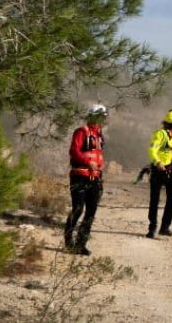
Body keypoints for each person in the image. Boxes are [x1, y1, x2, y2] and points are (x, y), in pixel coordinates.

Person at [64, 103, 107, 255]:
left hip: (95, 178)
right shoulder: (81, 132)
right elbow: (74, 151)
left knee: (91, 212)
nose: (103, 120)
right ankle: (69, 242)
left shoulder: (99, 135)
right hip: (79, 177)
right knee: (78, 209)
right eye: (101, 117)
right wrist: (88, 162)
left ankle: (81, 244)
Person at [147, 108, 172, 238]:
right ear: (170, 122)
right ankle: (152, 228)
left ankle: (165, 227)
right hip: (158, 170)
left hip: (171, 170)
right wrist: (157, 162)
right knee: (154, 200)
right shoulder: (160, 134)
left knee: (171, 200)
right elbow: (152, 150)